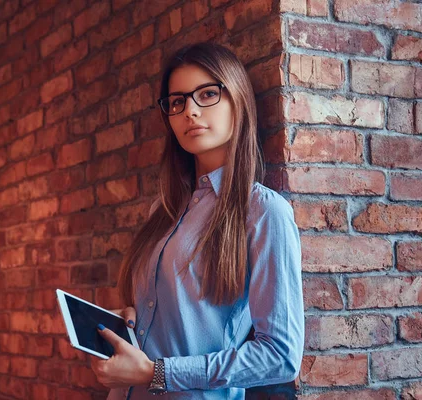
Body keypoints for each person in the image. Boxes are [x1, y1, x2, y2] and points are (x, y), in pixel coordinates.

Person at [90, 42, 304, 399]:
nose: (189, 111)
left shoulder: (264, 212)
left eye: (207, 94)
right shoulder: (164, 212)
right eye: (177, 102)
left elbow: (280, 357)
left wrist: (157, 373)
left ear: (237, 100)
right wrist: (134, 322)